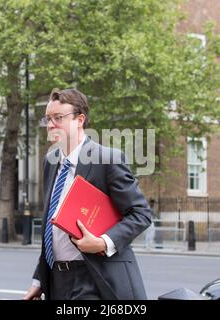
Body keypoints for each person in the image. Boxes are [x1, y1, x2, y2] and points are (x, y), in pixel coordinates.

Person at [23, 88, 152, 300]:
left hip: (94, 278)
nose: (51, 125)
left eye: (58, 118)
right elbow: (51, 229)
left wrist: (102, 242)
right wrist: (40, 280)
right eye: (47, 119)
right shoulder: (50, 161)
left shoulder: (106, 159)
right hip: (56, 282)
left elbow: (141, 214)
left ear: (79, 120)